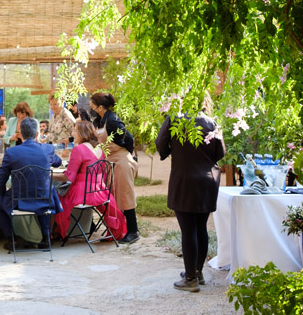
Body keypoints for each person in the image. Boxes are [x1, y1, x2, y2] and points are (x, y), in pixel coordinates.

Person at [155, 109, 225, 292]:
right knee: (201, 227)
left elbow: (160, 144)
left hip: (185, 179)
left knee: (188, 230)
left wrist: (175, 151)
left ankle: (190, 278)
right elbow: (220, 152)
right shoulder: (212, 122)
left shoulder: (174, 118)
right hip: (208, 179)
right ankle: (197, 271)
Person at [0, 117, 63, 251]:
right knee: (44, 192)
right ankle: (46, 238)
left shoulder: (11, 152)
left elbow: (1, 180)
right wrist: (42, 145)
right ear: (37, 134)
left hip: (19, 201)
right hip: (44, 199)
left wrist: (2, 194)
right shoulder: (48, 149)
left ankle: (11, 238)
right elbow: (58, 163)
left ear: (20, 134)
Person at [90, 92, 140, 244]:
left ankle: (133, 231)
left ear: (100, 107)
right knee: (112, 198)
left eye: (92, 103)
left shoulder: (112, 120)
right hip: (109, 161)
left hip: (121, 160)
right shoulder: (98, 120)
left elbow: (129, 138)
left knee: (125, 196)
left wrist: (129, 154)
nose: (90, 106)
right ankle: (117, 230)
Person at [52, 120, 107, 239]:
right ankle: (83, 227)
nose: (73, 135)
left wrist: (50, 175)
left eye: (75, 132)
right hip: (100, 190)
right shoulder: (99, 148)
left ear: (82, 133)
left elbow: (68, 176)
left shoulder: (79, 149)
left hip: (84, 193)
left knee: (58, 197)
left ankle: (59, 232)